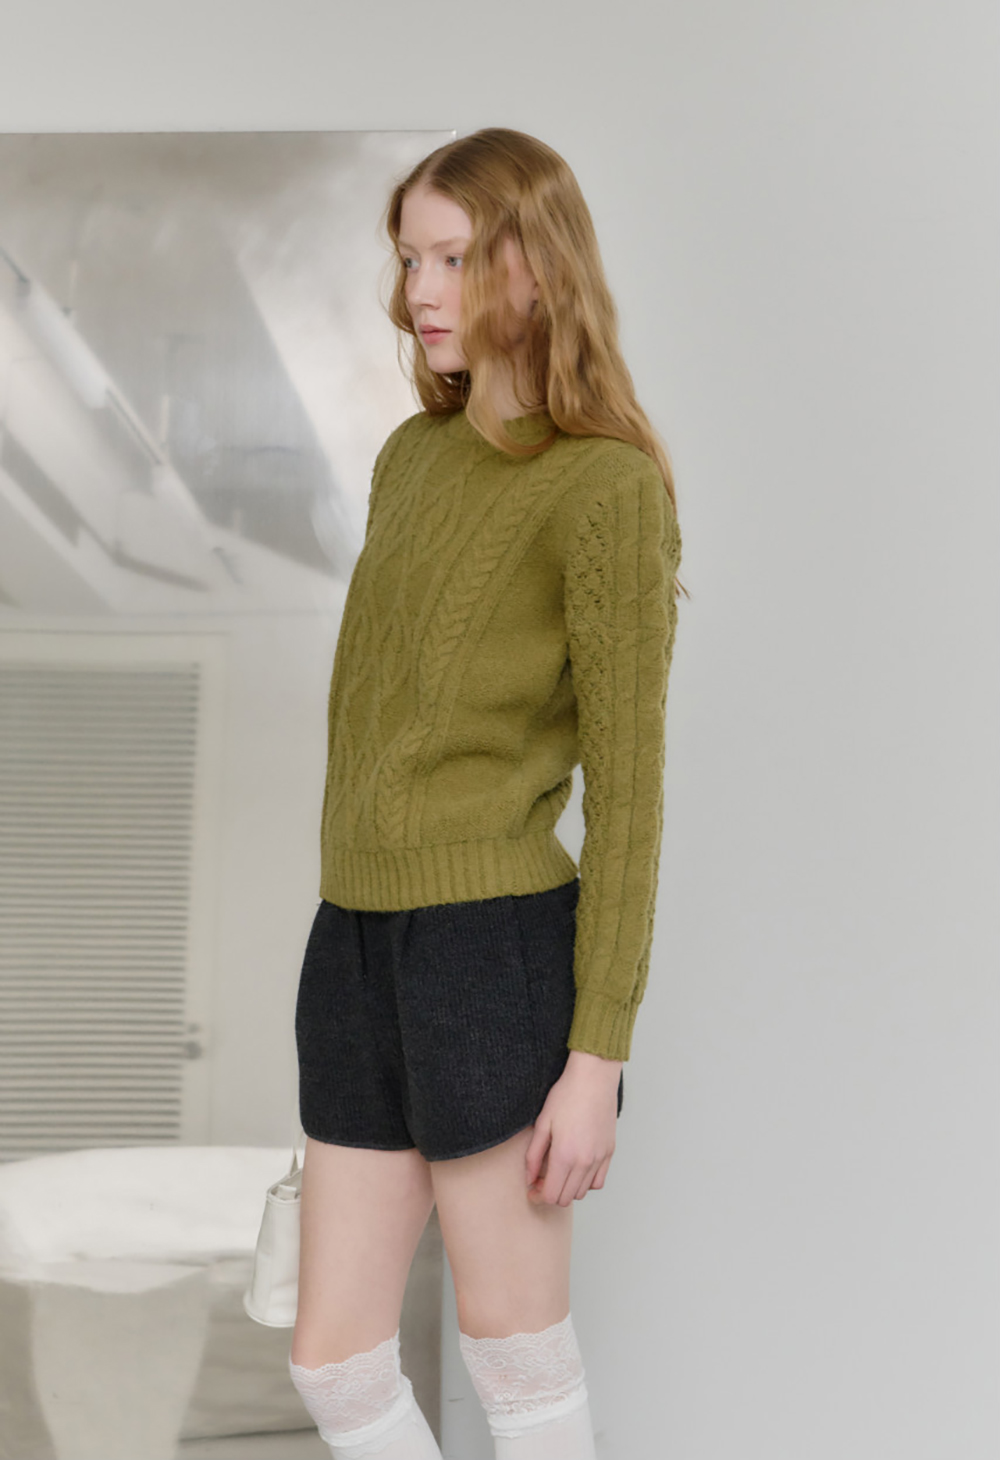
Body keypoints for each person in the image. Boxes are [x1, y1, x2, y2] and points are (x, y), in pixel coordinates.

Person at [287, 127, 684, 1460]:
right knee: (336, 1361)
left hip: (489, 950)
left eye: (453, 257)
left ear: (535, 262)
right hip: (354, 942)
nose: (423, 292)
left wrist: (597, 1055)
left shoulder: (605, 487)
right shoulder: (412, 459)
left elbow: (630, 795)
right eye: (410, 259)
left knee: (516, 1359)